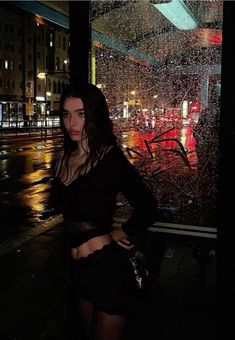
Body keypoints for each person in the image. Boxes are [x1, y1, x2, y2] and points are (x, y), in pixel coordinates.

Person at [50, 82, 159, 340]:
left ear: (94, 116)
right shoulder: (62, 159)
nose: (72, 123)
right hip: (76, 270)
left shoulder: (108, 157)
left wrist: (119, 233)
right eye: (66, 114)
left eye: (81, 114)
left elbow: (148, 207)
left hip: (107, 269)